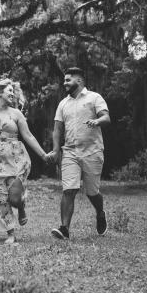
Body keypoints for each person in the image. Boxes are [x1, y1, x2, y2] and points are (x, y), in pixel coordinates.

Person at [0, 78, 52, 245]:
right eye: (10, 91)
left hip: (15, 159)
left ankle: (21, 207)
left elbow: (28, 136)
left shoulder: (16, 114)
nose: (13, 94)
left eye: (13, 91)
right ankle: (11, 234)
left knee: (14, 199)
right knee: (1, 198)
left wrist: (43, 155)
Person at [49, 67, 110, 239]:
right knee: (69, 190)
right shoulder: (63, 103)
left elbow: (106, 118)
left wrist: (97, 120)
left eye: (68, 80)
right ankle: (64, 229)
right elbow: (57, 130)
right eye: (64, 80)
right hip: (70, 152)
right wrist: (55, 151)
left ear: (79, 80)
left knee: (92, 192)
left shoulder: (94, 97)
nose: (65, 83)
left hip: (92, 151)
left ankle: (100, 213)